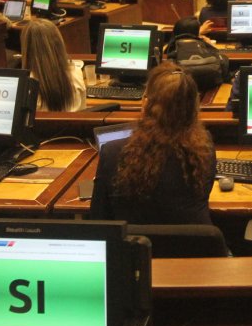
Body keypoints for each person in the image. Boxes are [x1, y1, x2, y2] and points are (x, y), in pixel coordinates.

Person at [90, 62, 215, 224]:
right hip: (192, 249)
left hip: (133, 249)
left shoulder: (112, 152)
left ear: (146, 104)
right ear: (194, 108)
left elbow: (99, 219)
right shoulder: (205, 149)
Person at [21, 19, 86, 112]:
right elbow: (83, 110)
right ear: (59, 43)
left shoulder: (25, 87)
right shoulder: (76, 73)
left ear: (27, 48)